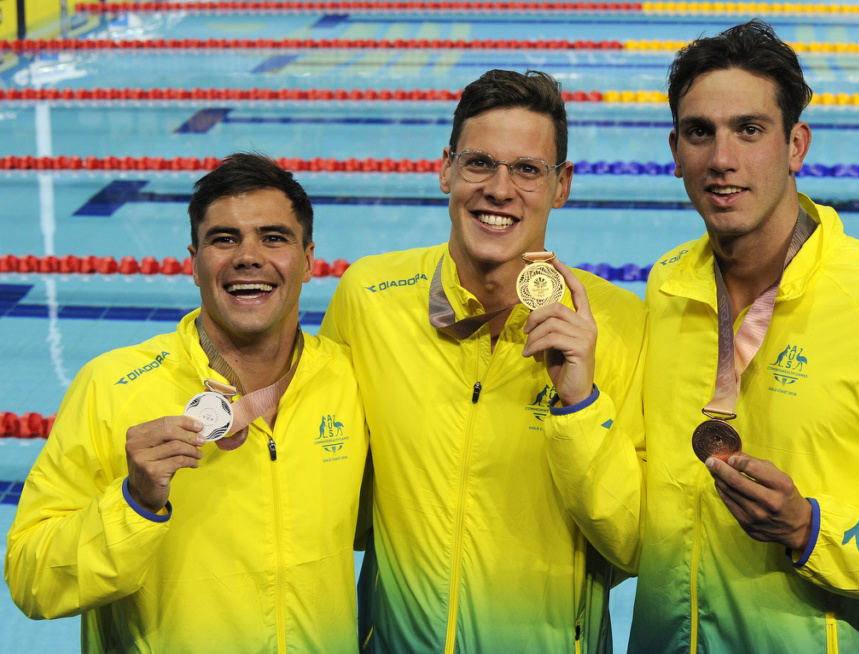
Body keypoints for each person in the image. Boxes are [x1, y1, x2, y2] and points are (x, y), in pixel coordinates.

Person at [623, 19, 859, 653]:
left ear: (796, 145)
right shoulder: (666, 288)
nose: (722, 160)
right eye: (700, 133)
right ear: (674, 151)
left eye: (750, 130)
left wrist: (810, 529)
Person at [319, 69, 645, 653]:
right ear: (446, 168)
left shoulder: (623, 327)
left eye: (527, 170)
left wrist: (580, 405)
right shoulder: (368, 299)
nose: (499, 189)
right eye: (479, 163)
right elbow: (328, 485)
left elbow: (639, 544)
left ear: (561, 185)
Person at [5, 153, 368, 653]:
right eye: (224, 239)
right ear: (193, 262)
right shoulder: (111, 386)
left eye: (274, 237)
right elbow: (33, 580)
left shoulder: (351, 381)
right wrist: (134, 502)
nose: (248, 256)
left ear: (308, 261)